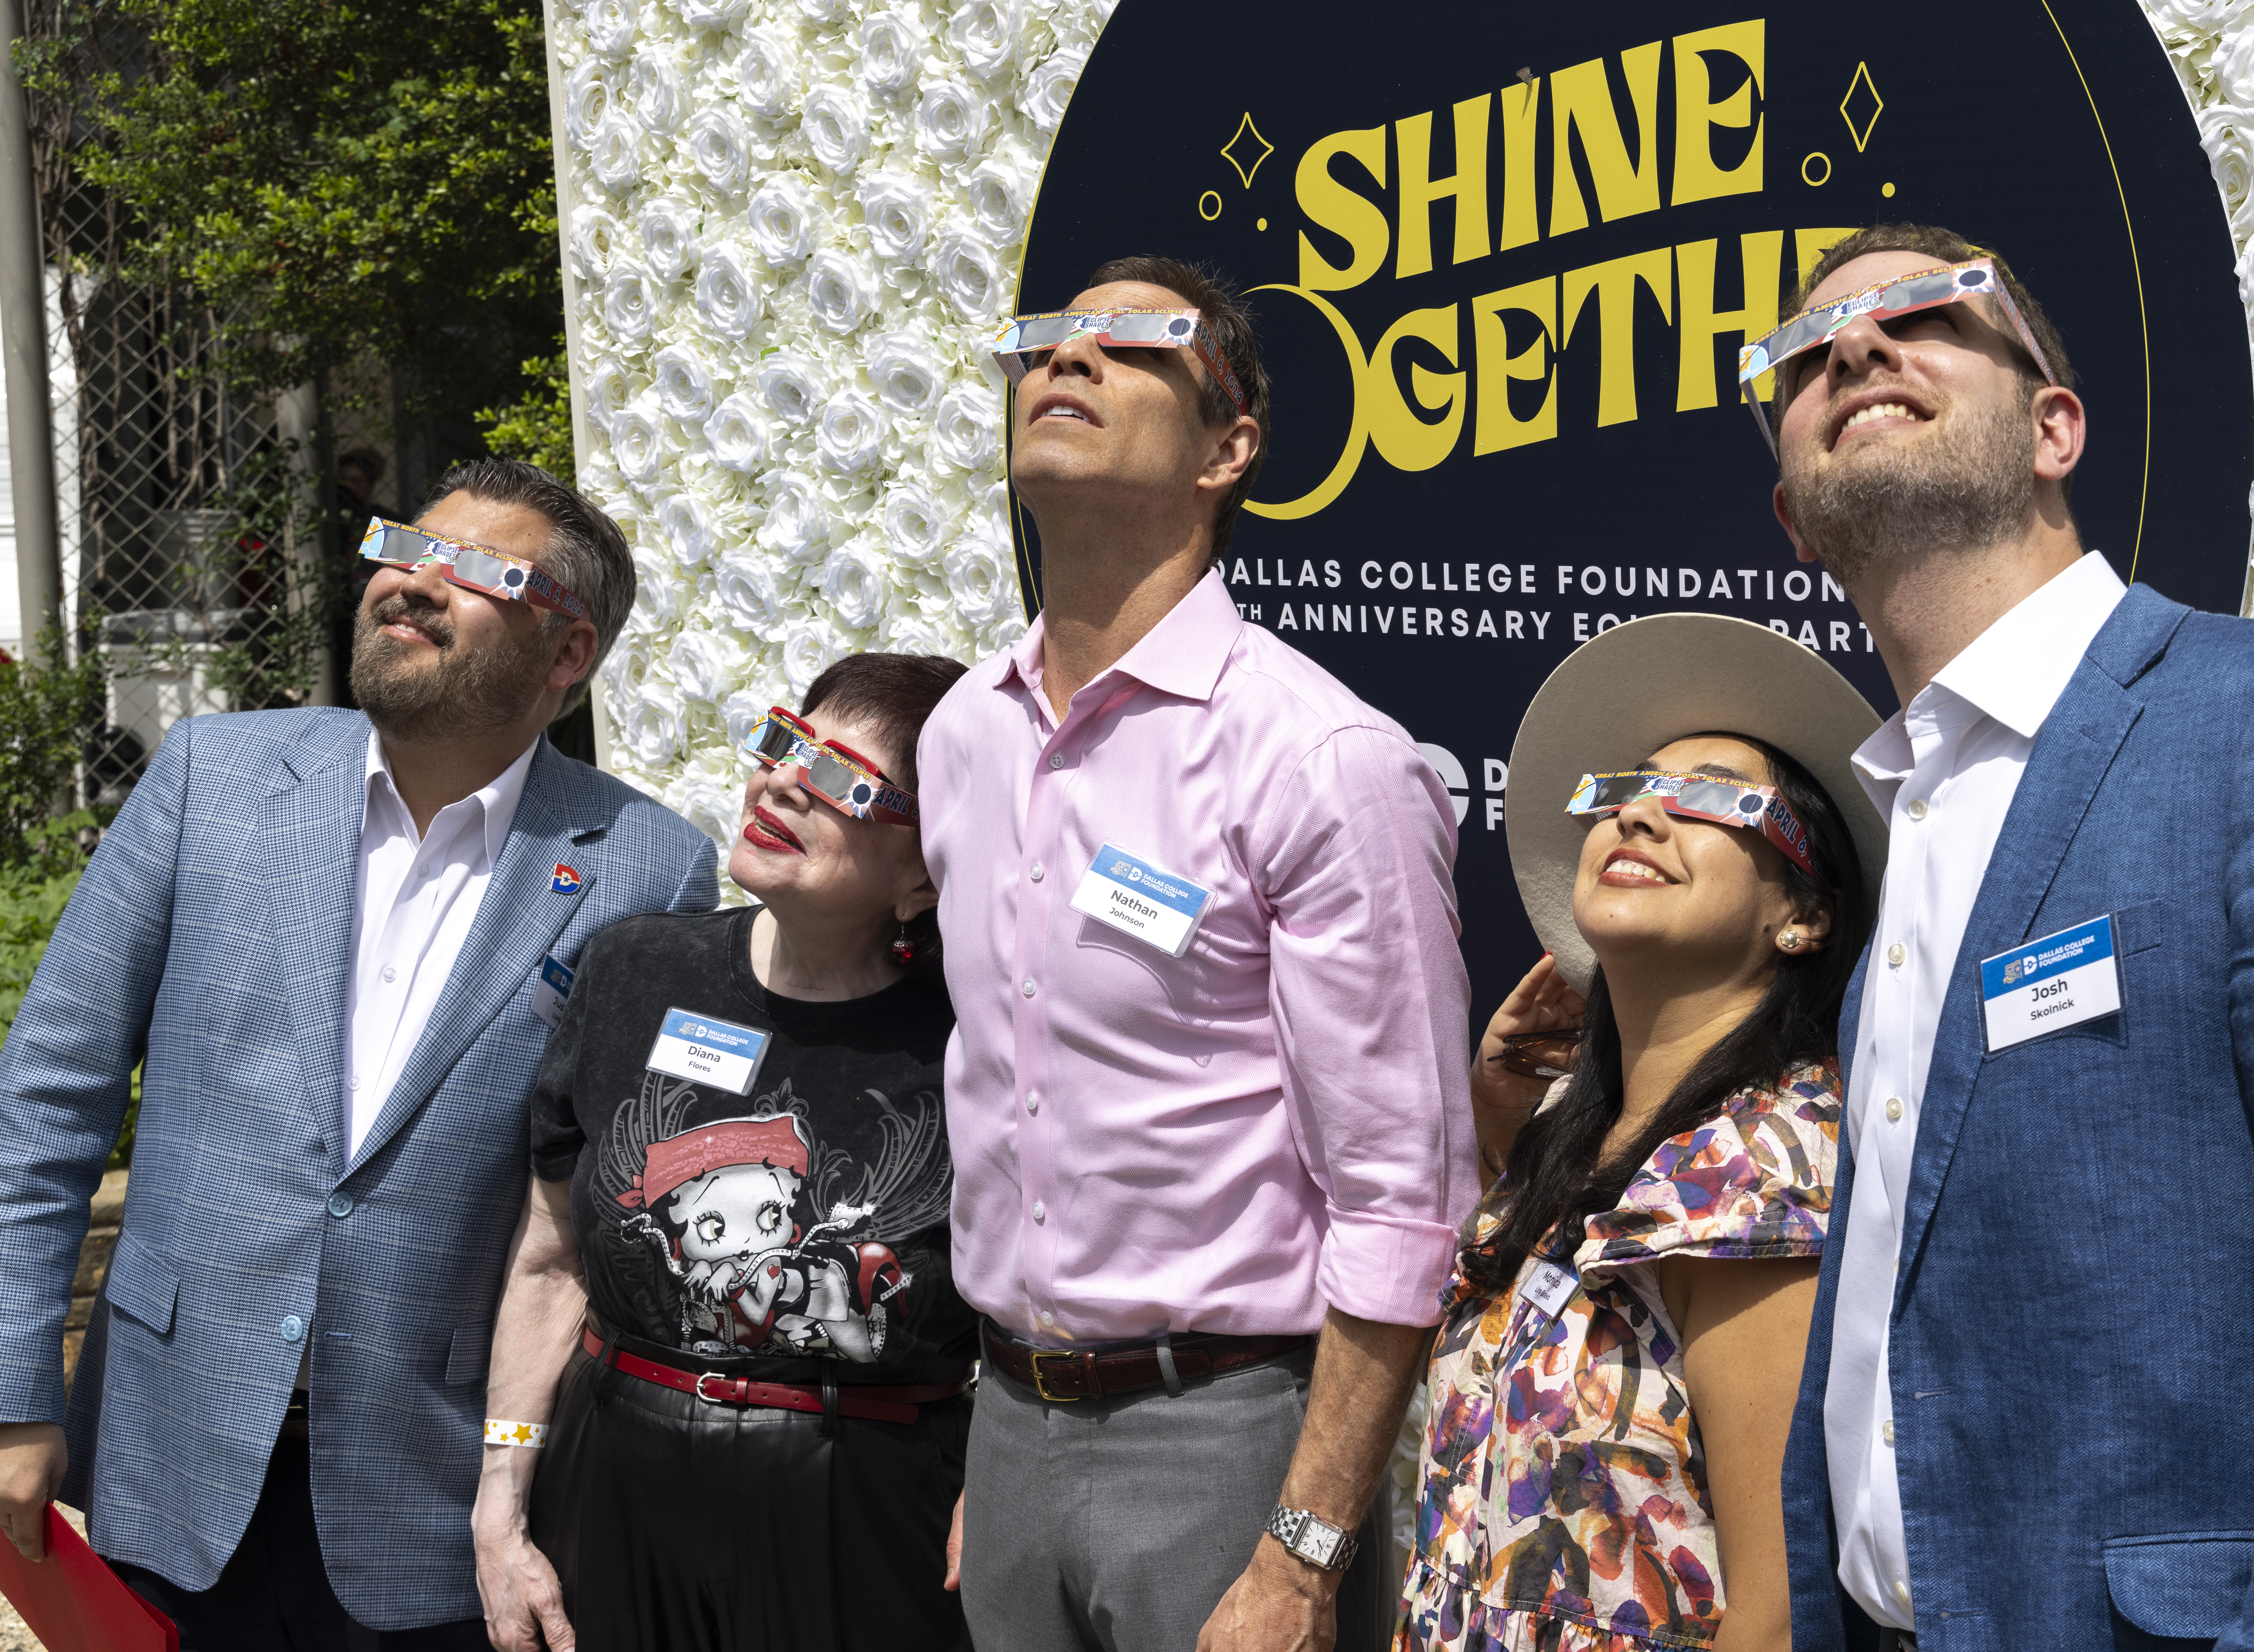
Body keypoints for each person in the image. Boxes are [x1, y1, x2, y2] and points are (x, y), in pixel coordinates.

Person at [1755, 224, 2254, 1648]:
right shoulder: (1898, 832)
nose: (1855, 345)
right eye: (1801, 356)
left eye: (1931, 311)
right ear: (1793, 514)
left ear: (2056, 427)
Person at [0, 458, 721, 1645]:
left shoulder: (647, 866)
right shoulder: (213, 777)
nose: (416, 581)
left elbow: (602, 1214)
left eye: (482, 571)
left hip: (426, 1506)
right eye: (403, 544)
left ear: (568, 653)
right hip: (161, 1461)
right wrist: (15, 1390)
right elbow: (46, 1098)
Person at [921, 256, 1478, 1652]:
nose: (1068, 362)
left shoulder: (1321, 759)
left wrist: (1299, 1557)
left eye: (1134, 346)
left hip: (1222, 1439)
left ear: (1229, 449)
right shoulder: (961, 739)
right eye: (1045, 343)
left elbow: (1402, 1201)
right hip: (1005, 1425)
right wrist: (1009, 1445)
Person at [471, 650, 979, 1651]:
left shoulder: (975, 1031)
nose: (786, 778)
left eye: (844, 779)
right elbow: (549, 1258)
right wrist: (503, 1494)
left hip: (869, 1503)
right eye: (789, 741)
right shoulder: (635, 968)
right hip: (614, 1480)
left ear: (925, 866)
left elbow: (1030, 1304)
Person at [1398, 613, 1880, 1652]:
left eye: (1709, 797)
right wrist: (1499, 1127)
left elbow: (1779, 1614)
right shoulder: (1583, 1142)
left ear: (1803, 916)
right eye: (1623, 791)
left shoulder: (1765, 1171)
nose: (1643, 816)